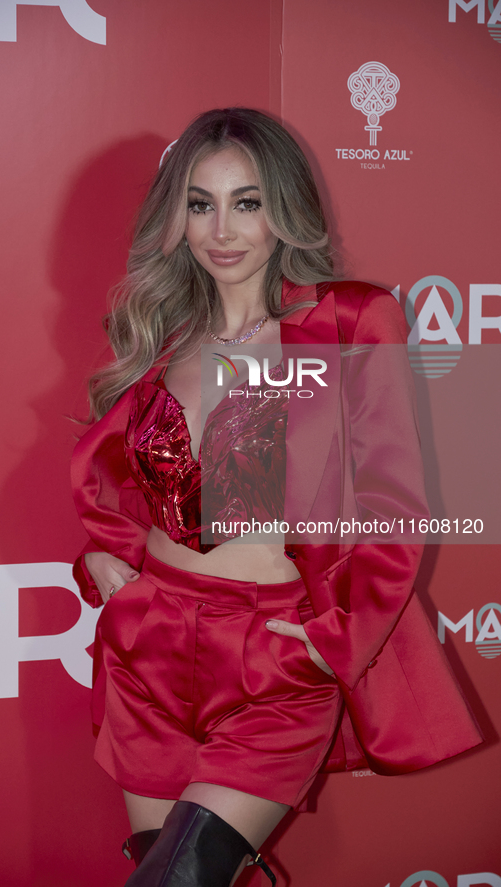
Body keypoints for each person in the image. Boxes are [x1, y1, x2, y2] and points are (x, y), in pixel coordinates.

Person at [71, 108, 482, 887]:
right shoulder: (166, 330)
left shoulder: (349, 319)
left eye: (247, 202)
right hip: (147, 649)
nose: (221, 230)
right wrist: (102, 553)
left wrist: (329, 640)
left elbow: (395, 506)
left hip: (271, 659)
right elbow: (126, 479)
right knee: (163, 871)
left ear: (283, 208)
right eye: (200, 203)